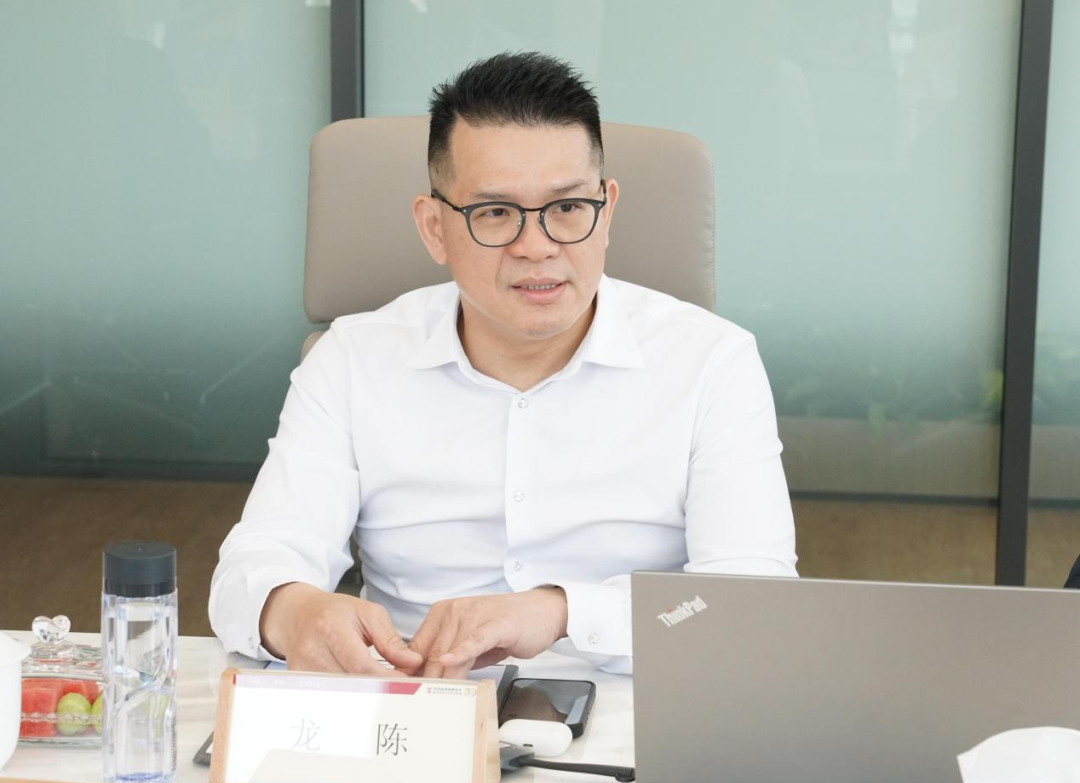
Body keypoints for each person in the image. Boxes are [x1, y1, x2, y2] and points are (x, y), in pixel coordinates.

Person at [209, 51, 797, 678]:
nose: (536, 247)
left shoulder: (711, 363)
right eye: (494, 213)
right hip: (412, 705)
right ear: (434, 228)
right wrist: (294, 610)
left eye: (567, 208)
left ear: (606, 212)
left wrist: (563, 612)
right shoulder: (352, 359)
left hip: (635, 706)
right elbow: (254, 567)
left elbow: (749, 600)